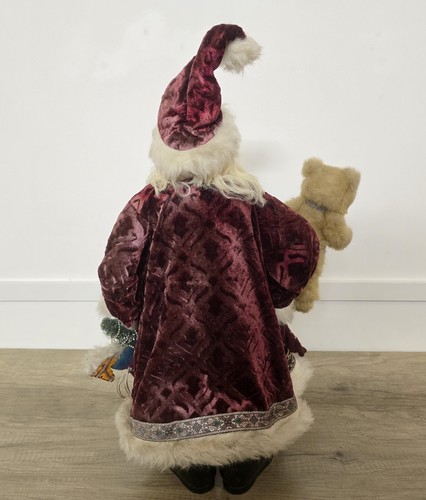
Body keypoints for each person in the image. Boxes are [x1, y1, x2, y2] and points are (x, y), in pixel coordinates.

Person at [98, 24, 319, 495]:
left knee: (170, 398)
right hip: (244, 340)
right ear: (223, 141)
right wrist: (271, 296)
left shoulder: (148, 204)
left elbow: (117, 271)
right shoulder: (250, 200)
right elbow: (299, 247)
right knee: (254, 389)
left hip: (172, 349)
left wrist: (132, 314)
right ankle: (244, 463)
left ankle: (191, 467)